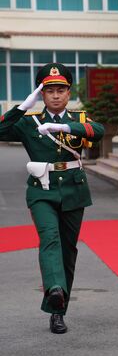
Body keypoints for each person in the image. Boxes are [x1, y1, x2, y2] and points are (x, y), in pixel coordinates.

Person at [0, 63, 104, 334]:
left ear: (68, 93)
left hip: (73, 190)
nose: (56, 96)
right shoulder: (27, 122)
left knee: (68, 252)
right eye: (49, 91)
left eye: (61, 90)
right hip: (41, 191)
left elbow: (99, 132)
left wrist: (65, 128)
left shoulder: (78, 120)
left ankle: (58, 312)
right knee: (50, 239)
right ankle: (55, 290)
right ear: (41, 95)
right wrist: (22, 107)